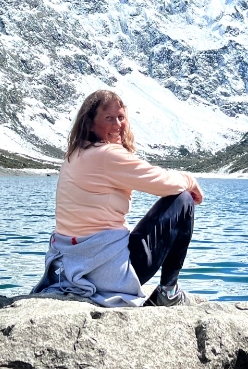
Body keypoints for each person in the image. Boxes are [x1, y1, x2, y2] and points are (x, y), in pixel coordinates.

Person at [32, 90, 203, 307]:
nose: (118, 124)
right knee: (183, 200)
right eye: (109, 118)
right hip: (107, 271)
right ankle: (168, 292)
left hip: (72, 265)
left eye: (121, 117)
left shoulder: (75, 155)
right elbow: (164, 183)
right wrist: (190, 179)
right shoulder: (106, 155)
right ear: (90, 124)